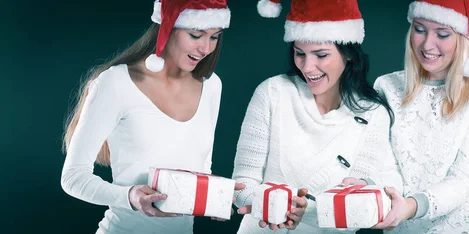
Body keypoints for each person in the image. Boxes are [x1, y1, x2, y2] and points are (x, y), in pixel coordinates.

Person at [60, 1, 240, 233]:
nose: (206, 48)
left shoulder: (212, 85)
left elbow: (201, 168)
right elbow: (73, 177)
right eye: (196, 35)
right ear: (167, 27)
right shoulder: (116, 82)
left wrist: (217, 194)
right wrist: (130, 196)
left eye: (215, 37)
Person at [231, 0, 404, 233]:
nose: (308, 67)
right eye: (299, 53)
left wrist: (307, 209)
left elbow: (360, 203)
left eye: (321, 55)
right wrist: (271, 205)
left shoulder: (373, 114)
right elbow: (241, 186)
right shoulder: (273, 92)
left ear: (349, 53)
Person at [343, 0, 469, 233]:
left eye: (442, 34)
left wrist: (411, 206)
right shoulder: (388, 86)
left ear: (464, 39)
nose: (426, 44)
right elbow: (388, 165)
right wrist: (370, 185)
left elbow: (466, 179)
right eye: (419, 29)